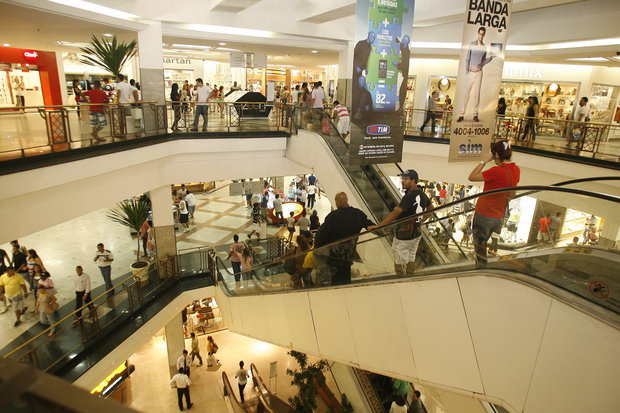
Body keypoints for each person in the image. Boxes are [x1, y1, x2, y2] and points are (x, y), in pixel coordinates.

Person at [468, 140, 520, 266]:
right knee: (484, 245)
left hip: (484, 215)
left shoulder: (496, 171)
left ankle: (480, 271)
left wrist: (484, 161)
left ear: (496, 155)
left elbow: (472, 177)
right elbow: (512, 193)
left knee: (480, 247)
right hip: (498, 217)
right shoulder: (516, 169)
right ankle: (481, 268)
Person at [368, 170, 430, 275]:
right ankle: (410, 276)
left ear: (413, 180)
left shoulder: (409, 196)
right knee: (411, 256)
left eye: (406, 179)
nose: (403, 181)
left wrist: (379, 226)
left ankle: (401, 279)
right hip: (416, 232)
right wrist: (421, 219)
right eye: (402, 179)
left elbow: (396, 213)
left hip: (404, 233)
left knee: (399, 258)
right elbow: (430, 209)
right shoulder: (422, 194)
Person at [314, 192, 374, 285]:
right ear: (347, 200)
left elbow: (322, 235)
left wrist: (317, 247)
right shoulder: (357, 213)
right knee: (346, 275)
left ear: (337, 202)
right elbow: (369, 225)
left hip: (334, 255)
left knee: (336, 279)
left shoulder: (332, 216)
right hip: (349, 253)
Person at [456, 27, 495, 123]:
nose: (481, 36)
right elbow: (467, 58)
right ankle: (461, 114)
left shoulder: (484, 47)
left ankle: (475, 115)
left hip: (479, 73)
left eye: (483, 34)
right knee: (466, 94)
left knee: (477, 94)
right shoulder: (472, 45)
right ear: (478, 34)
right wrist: (467, 71)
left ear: (484, 35)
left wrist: (490, 58)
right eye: (480, 34)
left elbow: (482, 62)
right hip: (471, 72)